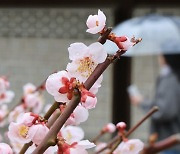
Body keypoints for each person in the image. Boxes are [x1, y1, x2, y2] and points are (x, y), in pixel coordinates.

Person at [129, 54, 180, 154]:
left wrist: (142, 102)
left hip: (168, 141)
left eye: (161, 54)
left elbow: (165, 111)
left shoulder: (170, 79)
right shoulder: (172, 77)